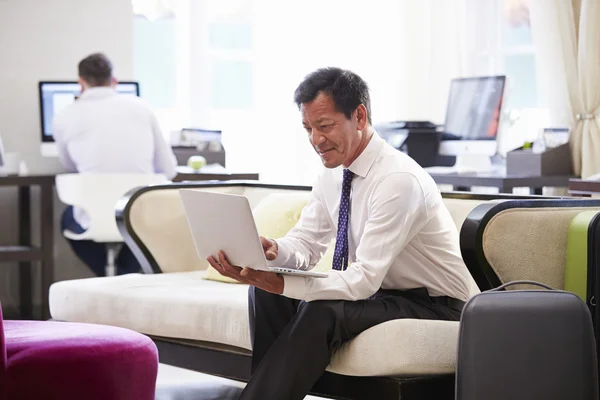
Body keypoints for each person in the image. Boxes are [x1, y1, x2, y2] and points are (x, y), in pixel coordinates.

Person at [206, 67, 478, 400]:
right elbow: (307, 244)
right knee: (266, 294)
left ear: (359, 116)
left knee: (322, 309)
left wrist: (280, 281)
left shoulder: (397, 180)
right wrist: (273, 252)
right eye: (308, 128)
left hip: (437, 304)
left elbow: (363, 279)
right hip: (384, 295)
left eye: (325, 126)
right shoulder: (332, 174)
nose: (315, 140)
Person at [54, 52, 177, 276]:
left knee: (67, 220)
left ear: (81, 83)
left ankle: (106, 275)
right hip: (138, 214)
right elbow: (169, 170)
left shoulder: (64, 115)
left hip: (93, 214)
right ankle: (124, 274)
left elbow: (69, 167)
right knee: (142, 227)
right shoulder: (142, 108)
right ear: (114, 81)